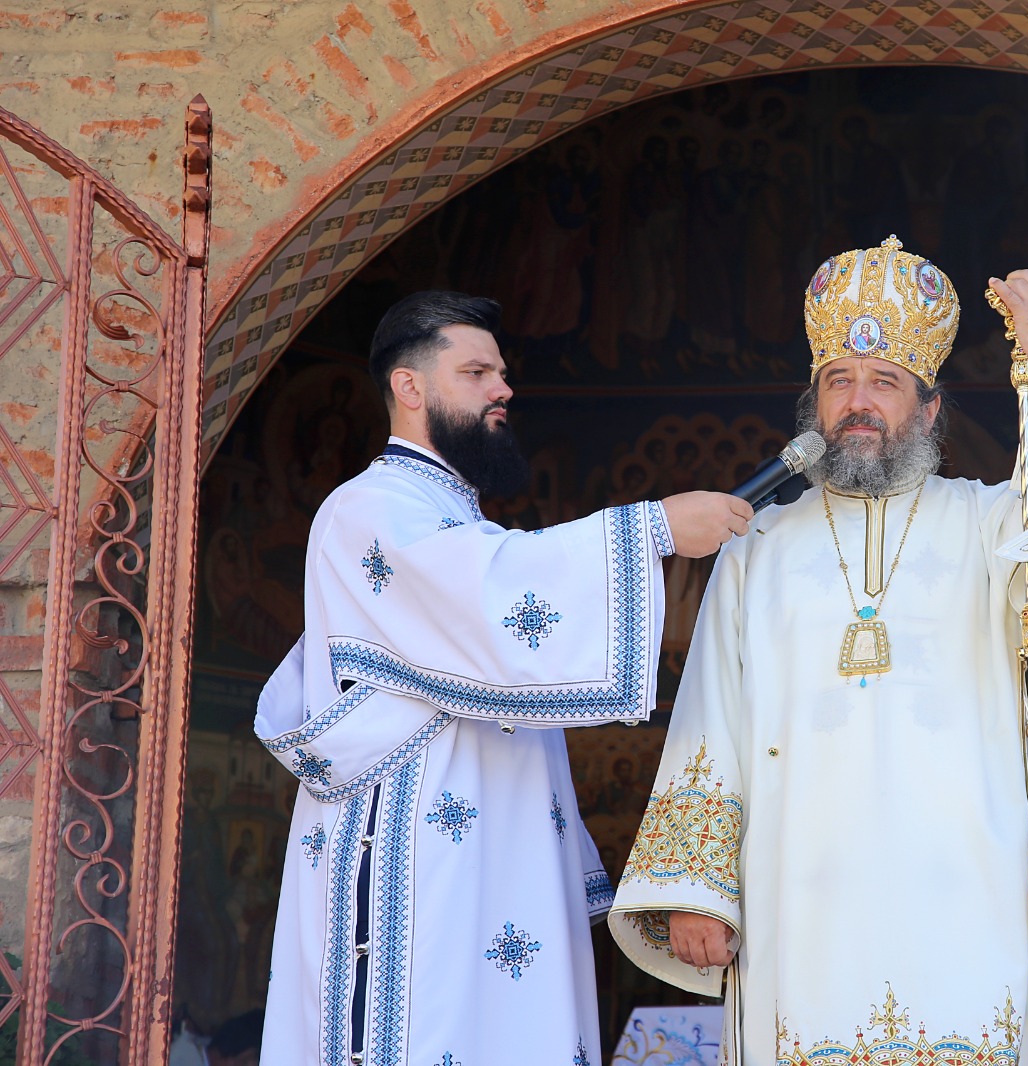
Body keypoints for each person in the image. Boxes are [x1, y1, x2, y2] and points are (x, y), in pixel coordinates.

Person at [609, 237, 1028, 1065]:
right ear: (815, 404)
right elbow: (712, 717)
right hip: (801, 906)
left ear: (929, 409)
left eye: (884, 382)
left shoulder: (993, 524)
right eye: (839, 381)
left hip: (968, 900)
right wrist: (697, 893)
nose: (858, 400)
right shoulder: (755, 547)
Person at [254, 291, 751, 1066]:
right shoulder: (370, 508)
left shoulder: (456, 520)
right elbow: (491, 599)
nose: (502, 389)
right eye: (478, 371)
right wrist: (654, 527)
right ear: (410, 387)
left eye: (502, 372)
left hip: (482, 860)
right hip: (414, 860)